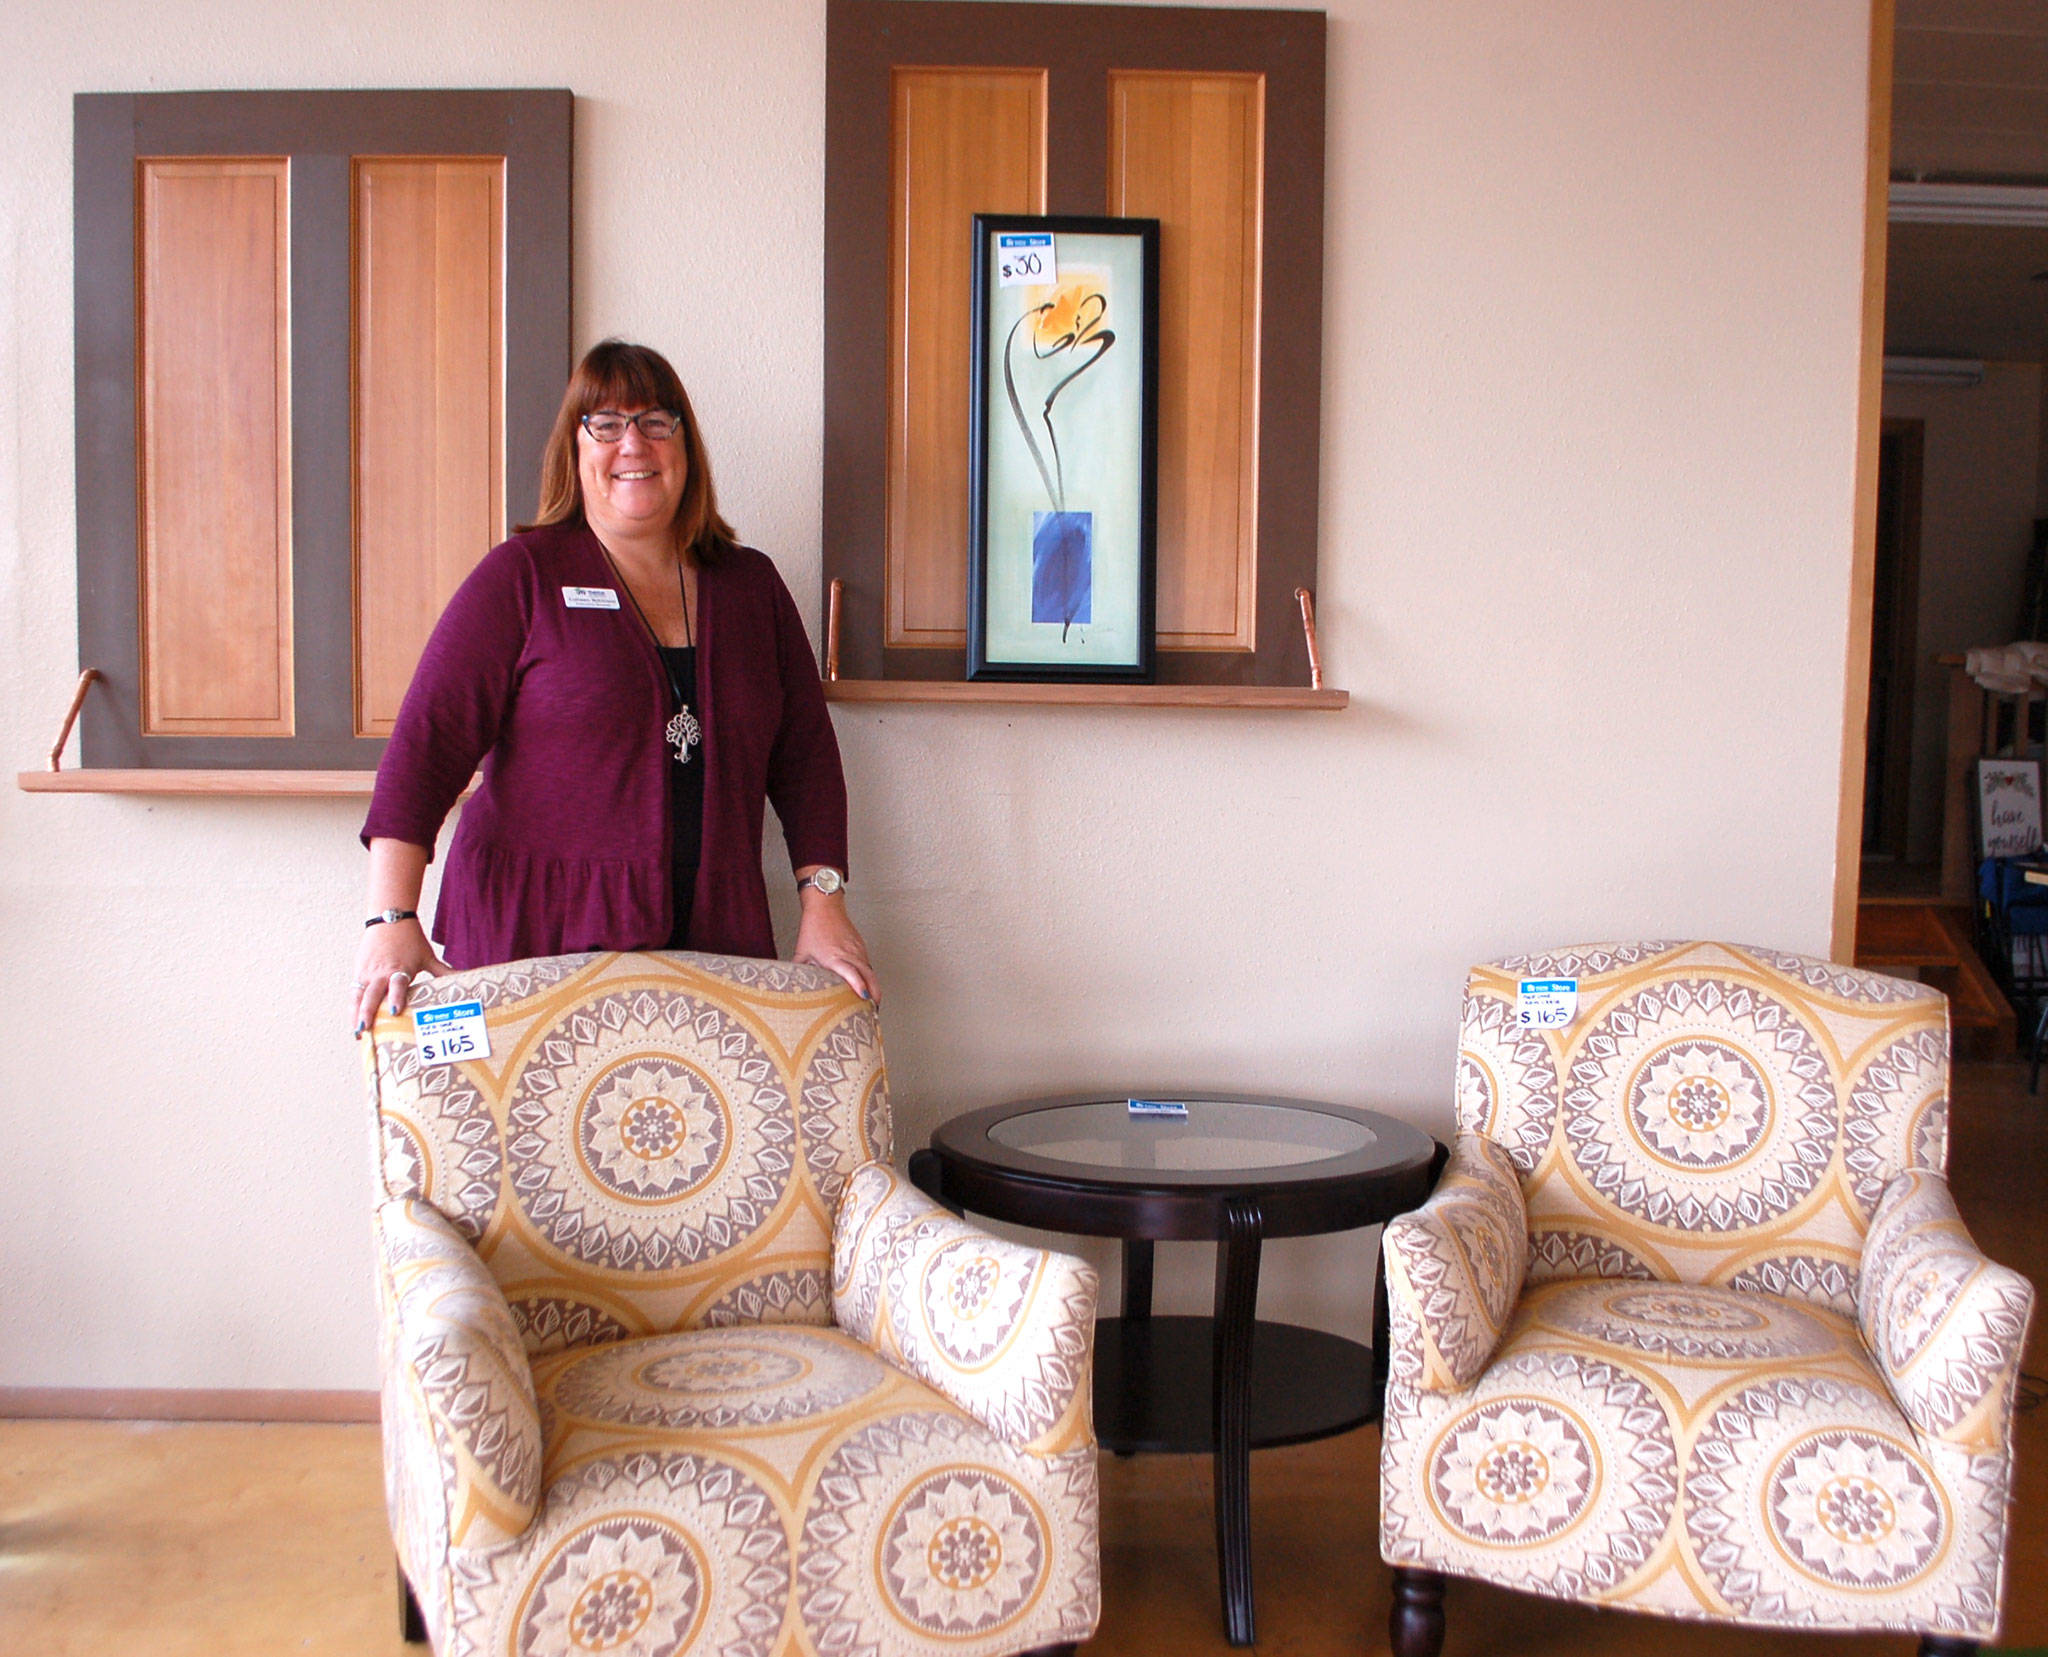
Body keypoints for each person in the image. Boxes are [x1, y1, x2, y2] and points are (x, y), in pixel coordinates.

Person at [351, 339, 872, 1032]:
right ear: (576, 448)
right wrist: (392, 917)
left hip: (711, 940)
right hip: (533, 941)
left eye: (657, 421)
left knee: (694, 1132)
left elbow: (806, 759)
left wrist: (824, 903)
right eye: (606, 423)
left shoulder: (752, 590)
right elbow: (426, 745)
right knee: (534, 1138)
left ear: (686, 446)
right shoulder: (521, 577)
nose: (634, 442)